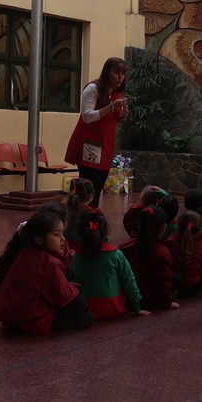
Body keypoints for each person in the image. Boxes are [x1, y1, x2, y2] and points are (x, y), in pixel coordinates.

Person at [0, 209, 94, 335]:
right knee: (80, 302)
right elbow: (60, 298)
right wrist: (71, 288)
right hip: (29, 318)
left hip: (9, 315)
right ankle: (60, 323)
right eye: (56, 235)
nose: (63, 239)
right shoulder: (49, 263)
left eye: (62, 234)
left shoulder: (24, 252)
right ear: (39, 240)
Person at [64, 57, 129, 208]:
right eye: (116, 72)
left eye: (123, 73)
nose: (120, 77)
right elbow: (87, 116)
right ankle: (80, 217)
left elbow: (110, 119)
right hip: (89, 144)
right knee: (88, 189)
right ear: (107, 72)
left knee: (98, 188)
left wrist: (122, 117)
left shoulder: (116, 92)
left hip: (105, 145)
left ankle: (90, 216)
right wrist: (111, 107)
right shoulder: (93, 88)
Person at [68, 209, 150, 320]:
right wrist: (137, 306)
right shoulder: (116, 254)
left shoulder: (76, 256)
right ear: (107, 231)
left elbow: (72, 281)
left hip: (86, 307)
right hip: (114, 307)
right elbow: (129, 282)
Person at [119, 207, 181, 311]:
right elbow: (164, 280)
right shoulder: (162, 251)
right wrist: (167, 303)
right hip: (147, 298)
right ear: (163, 227)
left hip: (127, 294)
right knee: (176, 278)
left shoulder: (124, 246)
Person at [171, 210, 202, 298]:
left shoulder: (170, 242)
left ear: (178, 226)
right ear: (200, 230)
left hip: (173, 285)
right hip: (193, 287)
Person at [64, 180, 95, 250]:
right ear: (90, 196)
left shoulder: (63, 210)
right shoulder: (94, 213)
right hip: (87, 251)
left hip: (65, 249)